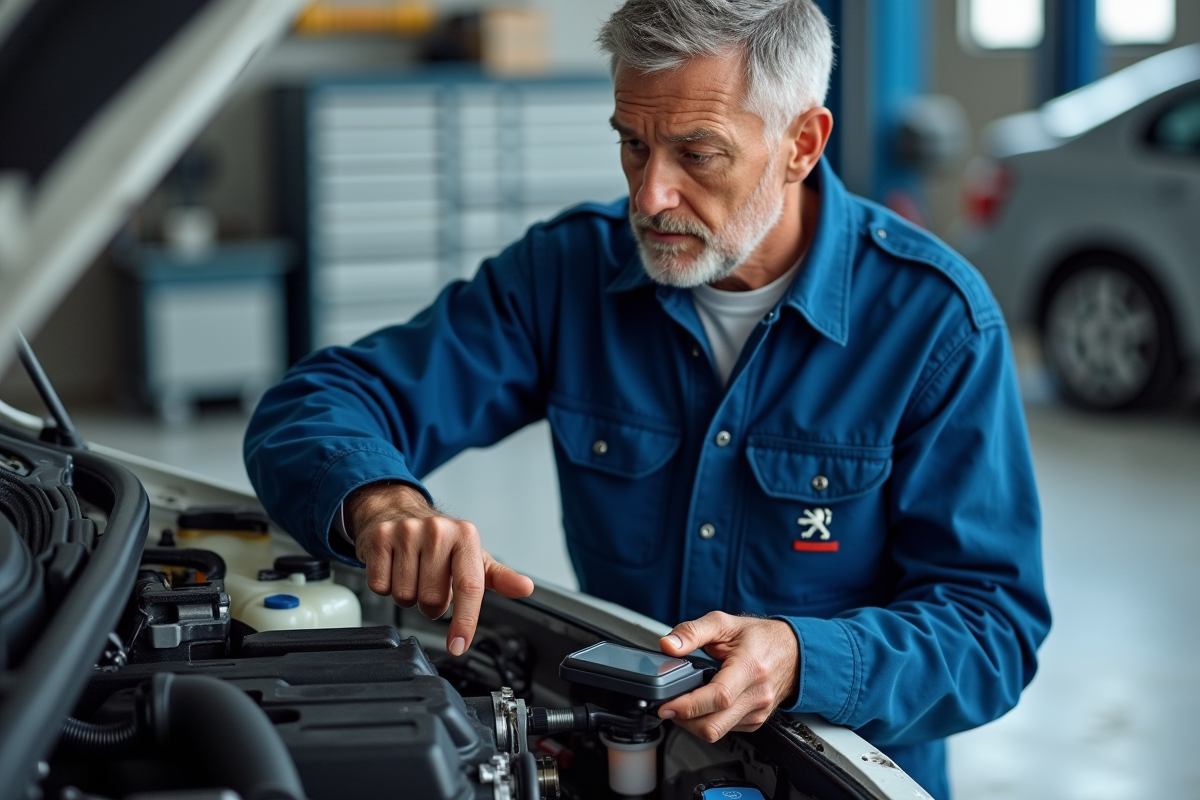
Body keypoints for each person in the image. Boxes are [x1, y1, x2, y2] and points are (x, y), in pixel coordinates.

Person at [244, 1, 1050, 796]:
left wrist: (806, 658)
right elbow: (320, 400)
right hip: (620, 760)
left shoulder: (936, 324)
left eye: (698, 154)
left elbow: (991, 629)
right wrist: (382, 503)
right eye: (634, 144)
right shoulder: (566, 274)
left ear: (802, 144)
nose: (651, 195)